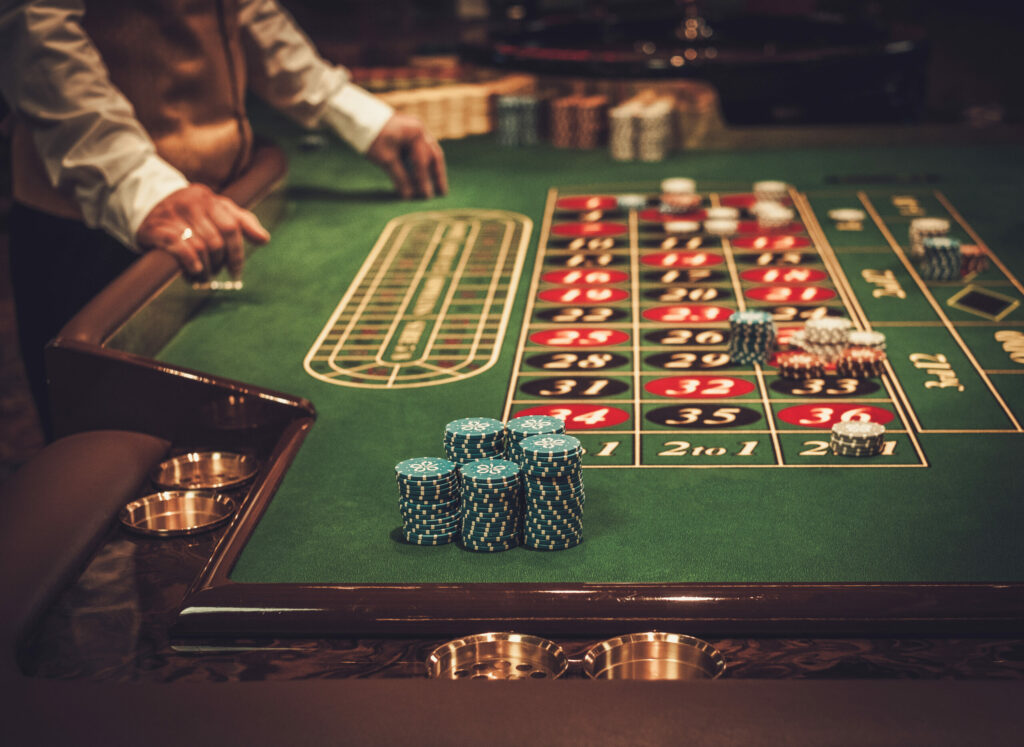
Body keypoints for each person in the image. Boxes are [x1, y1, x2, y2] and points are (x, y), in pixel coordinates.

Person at [0, 0, 448, 436]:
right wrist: (136, 183)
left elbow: (248, 12)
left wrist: (359, 117)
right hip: (90, 220)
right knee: (106, 461)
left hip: (225, 204)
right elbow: (33, 27)